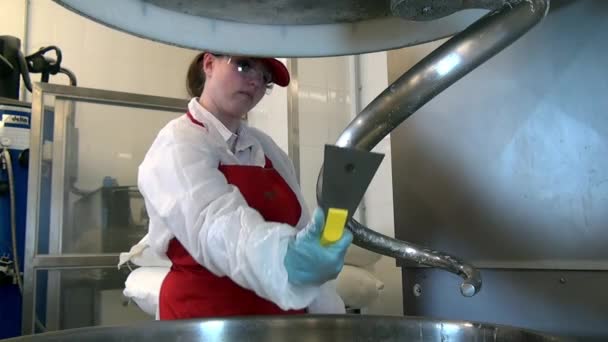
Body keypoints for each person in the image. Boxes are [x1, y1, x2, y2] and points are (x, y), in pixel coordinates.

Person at [137, 52, 353, 319]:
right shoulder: (178, 143)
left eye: (265, 78)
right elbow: (215, 226)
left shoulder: (268, 149)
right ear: (209, 64)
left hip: (280, 326)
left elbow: (301, 230)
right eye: (244, 65)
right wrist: (286, 260)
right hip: (203, 323)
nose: (255, 82)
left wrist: (328, 314)